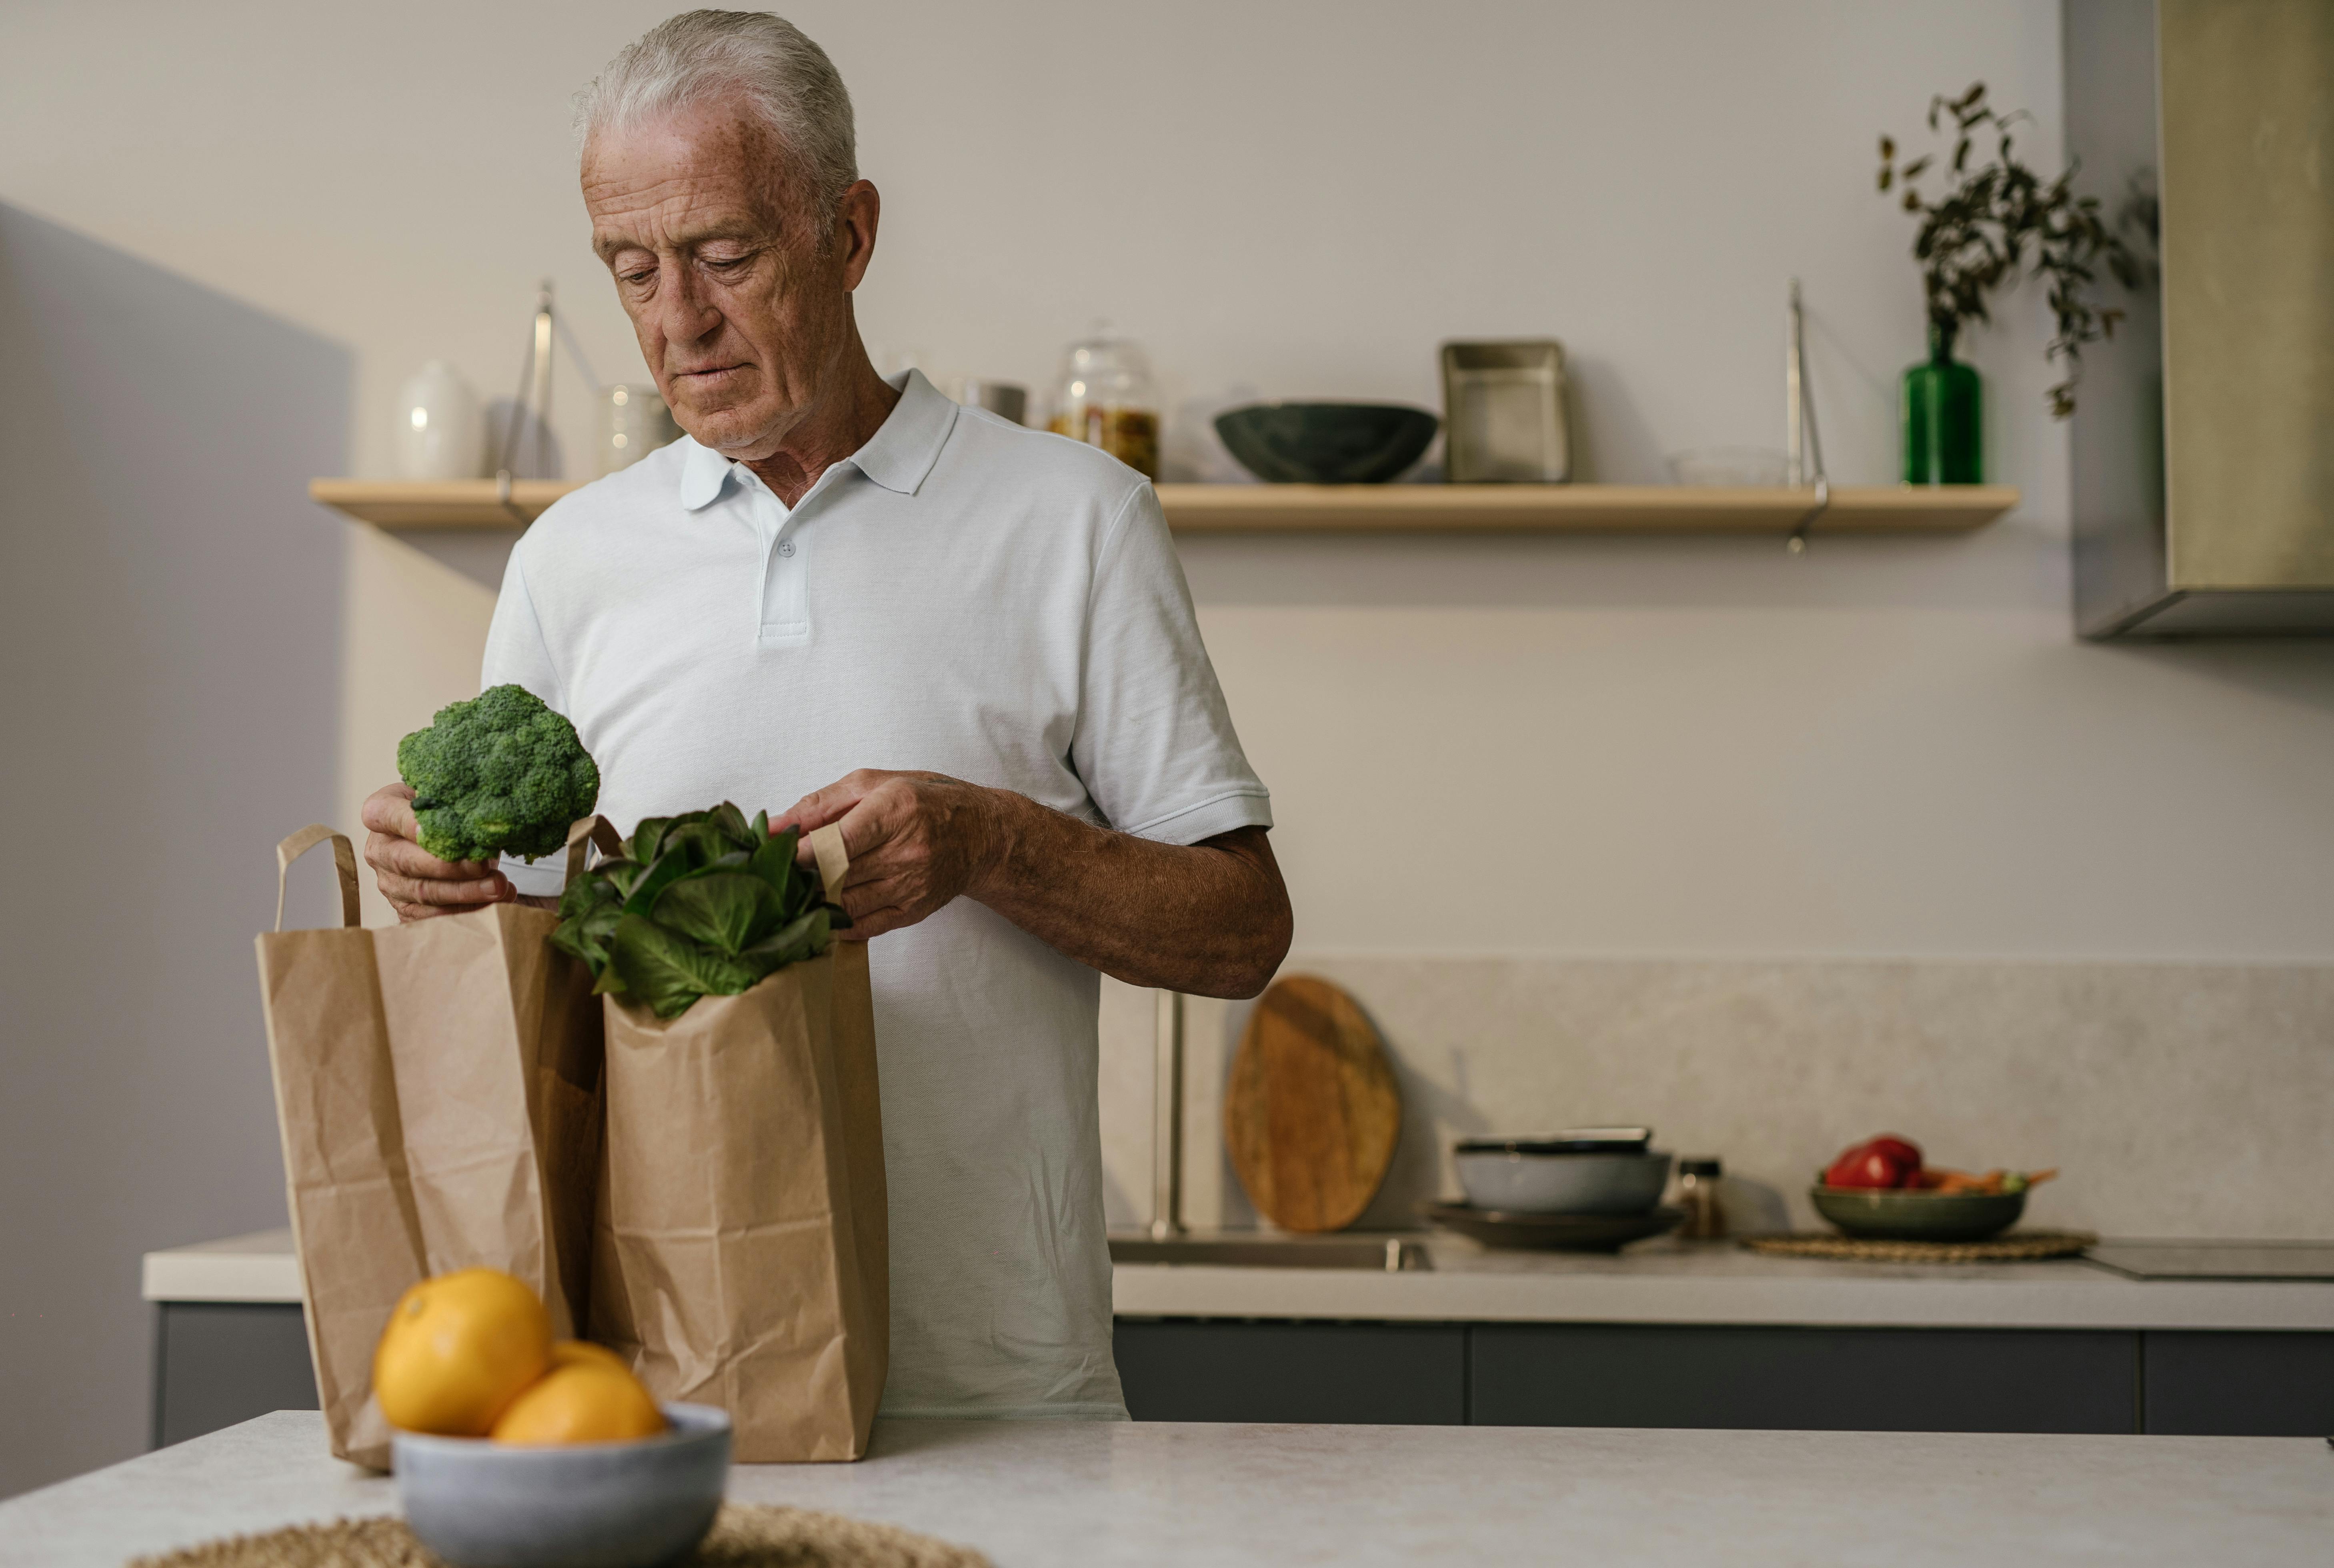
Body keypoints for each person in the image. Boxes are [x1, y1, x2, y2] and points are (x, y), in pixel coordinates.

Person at [359, 10, 1290, 1421]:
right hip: (651, 1378)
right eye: (632, 267)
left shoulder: (1074, 520)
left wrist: (992, 845)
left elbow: (1242, 933)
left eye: (725, 254)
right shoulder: (570, 557)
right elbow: (532, 998)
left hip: (990, 1384)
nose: (676, 318)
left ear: (846, 235)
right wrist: (449, 889)